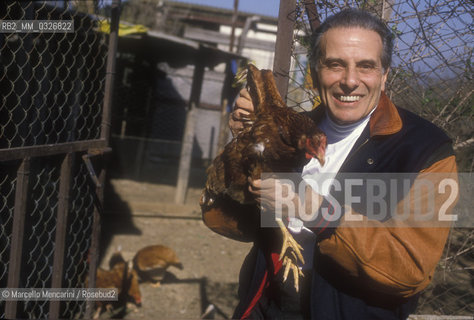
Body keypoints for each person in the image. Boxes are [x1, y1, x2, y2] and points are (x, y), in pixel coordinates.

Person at [203, 8, 458, 320]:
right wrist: (242, 148)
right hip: (266, 307)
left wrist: (318, 211)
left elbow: (410, 271)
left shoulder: (425, 149)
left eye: (366, 66)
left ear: (384, 74)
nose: (350, 81)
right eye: (335, 65)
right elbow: (228, 222)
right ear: (314, 71)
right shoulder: (291, 130)